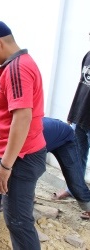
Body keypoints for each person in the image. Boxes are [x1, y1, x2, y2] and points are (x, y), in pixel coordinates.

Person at [0, 117, 90, 249]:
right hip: (33, 139)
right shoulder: (0, 132)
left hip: (63, 138)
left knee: (75, 184)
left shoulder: (17, 142)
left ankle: (88, 207)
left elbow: (24, 173)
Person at [0, 20, 47, 250]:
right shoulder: (12, 66)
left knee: (17, 218)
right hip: (6, 152)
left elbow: (22, 118)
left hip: (21, 157)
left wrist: (6, 166)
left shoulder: (18, 68)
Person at [67, 44, 90, 186]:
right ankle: (75, 190)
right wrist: (72, 113)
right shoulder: (88, 55)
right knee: (77, 156)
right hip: (81, 115)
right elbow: (82, 85)